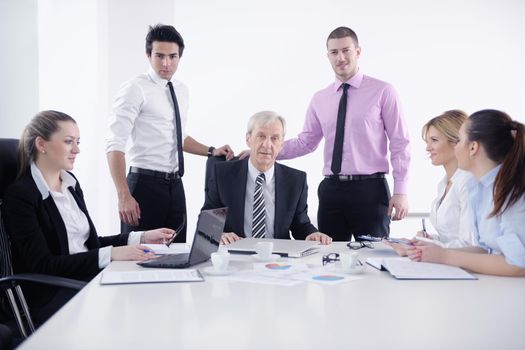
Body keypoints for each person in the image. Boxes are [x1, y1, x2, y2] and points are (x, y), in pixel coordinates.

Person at [3, 110, 174, 322]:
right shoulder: (21, 195)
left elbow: (88, 244)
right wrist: (111, 254)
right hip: (55, 291)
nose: (77, 149)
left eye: (77, 141)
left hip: (87, 276)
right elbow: (43, 265)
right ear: (41, 144)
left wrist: (142, 237)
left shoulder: (70, 184)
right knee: (139, 308)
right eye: (68, 142)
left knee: (159, 290)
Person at [276, 26, 410, 241]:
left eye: (346, 50)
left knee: (372, 260)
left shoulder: (383, 91)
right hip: (331, 190)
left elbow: (400, 143)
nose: (340, 57)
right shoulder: (320, 98)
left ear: (358, 52)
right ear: (327, 56)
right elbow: (306, 142)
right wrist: (266, 152)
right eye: (334, 52)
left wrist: (401, 191)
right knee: (328, 259)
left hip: (370, 190)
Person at [106, 24, 234, 243]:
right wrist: (123, 195)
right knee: (139, 256)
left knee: (178, 253)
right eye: (159, 56)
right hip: (144, 185)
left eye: (172, 56)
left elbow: (179, 138)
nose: (166, 63)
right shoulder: (135, 89)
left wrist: (211, 151)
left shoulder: (181, 89)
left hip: (175, 186)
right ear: (148, 55)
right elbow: (114, 144)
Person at [407, 109, 525, 277]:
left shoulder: (512, 190)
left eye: (459, 140)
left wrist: (445, 256)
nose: (456, 148)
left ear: (473, 147)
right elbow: (485, 250)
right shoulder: (481, 189)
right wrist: (429, 250)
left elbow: (518, 263)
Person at [203, 111, 332, 245]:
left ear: (281, 144)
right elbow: (207, 221)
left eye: (275, 138)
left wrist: (312, 234)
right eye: (261, 136)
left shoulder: (296, 180)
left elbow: (300, 224)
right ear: (248, 139)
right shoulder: (223, 174)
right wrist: (219, 234)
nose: (267, 145)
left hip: (278, 258)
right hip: (235, 253)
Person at [388, 110, 474, 256]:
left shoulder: (468, 184)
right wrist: (427, 240)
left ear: (456, 141)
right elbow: (450, 238)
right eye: (427, 141)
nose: (428, 148)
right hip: (447, 264)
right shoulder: (444, 184)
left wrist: (426, 246)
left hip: (464, 267)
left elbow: (471, 245)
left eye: (434, 140)